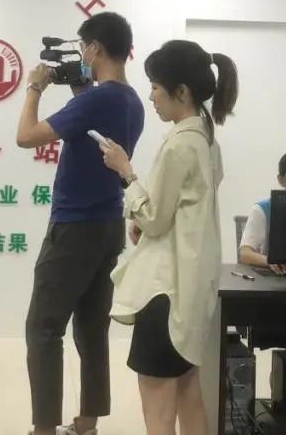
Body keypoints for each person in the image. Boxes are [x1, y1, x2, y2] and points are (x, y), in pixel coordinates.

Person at [101, 40, 238, 435]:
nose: (152, 97)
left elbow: (155, 219)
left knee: (158, 409)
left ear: (182, 92)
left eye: (156, 87)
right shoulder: (206, 139)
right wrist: (147, 216)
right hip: (190, 289)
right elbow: (180, 212)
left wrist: (126, 172)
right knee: (189, 395)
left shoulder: (179, 143)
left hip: (164, 291)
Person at [17, 12, 145, 435]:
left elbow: (26, 136)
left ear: (93, 48)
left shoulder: (95, 100)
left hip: (74, 227)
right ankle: (87, 423)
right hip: (108, 224)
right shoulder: (131, 100)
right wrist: (79, 91)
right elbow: (94, 129)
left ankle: (44, 429)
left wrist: (35, 87)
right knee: (92, 329)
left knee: (43, 328)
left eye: (83, 47)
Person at [239, 154, 286, 275]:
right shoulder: (263, 209)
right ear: (281, 180)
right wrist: (269, 261)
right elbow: (245, 254)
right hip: (277, 277)